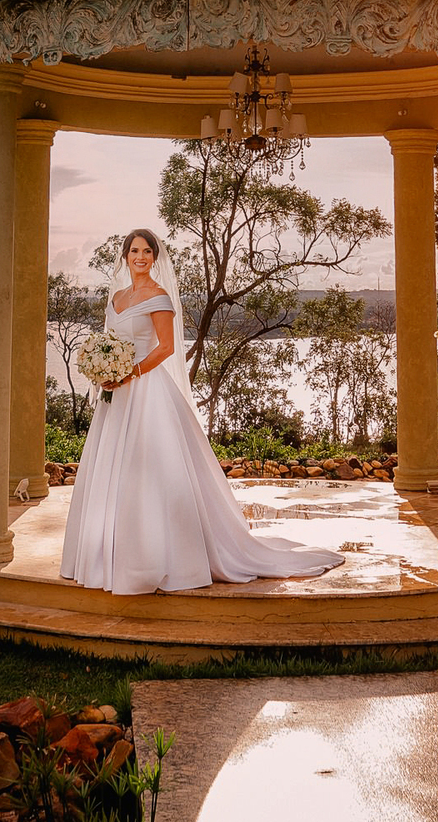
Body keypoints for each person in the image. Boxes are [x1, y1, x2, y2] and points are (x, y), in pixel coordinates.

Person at [60, 227, 345, 594]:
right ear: (126, 256)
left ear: (155, 257)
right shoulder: (116, 297)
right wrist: (104, 369)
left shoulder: (159, 297)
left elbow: (165, 348)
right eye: (134, 251)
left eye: (147, 251)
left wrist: (130, 372)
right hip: (115, 395)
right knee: (113, 468)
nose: (140, 257)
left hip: (146, 390)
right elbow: (109, 341)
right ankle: (108, 556)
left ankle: (157, 558)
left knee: (150, 470)